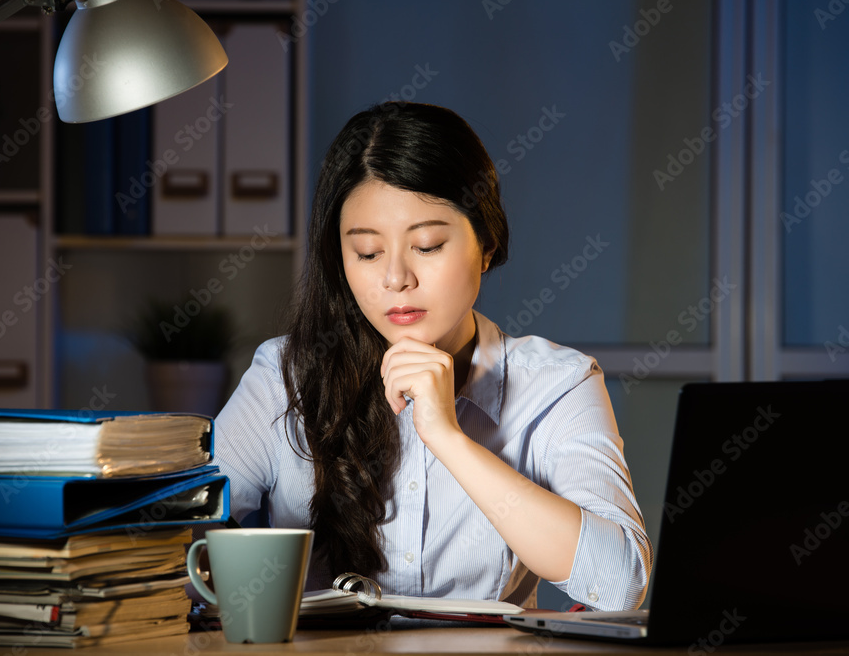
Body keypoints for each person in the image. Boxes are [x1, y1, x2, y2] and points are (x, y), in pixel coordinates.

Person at [213, 101, 652, 611]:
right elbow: (173, 538)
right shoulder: (286, 377)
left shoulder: (556, 384)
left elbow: (620, 585)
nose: (396, 278)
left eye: (426, 245)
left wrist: (447, 436)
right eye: (368, 253)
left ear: (486, 245)